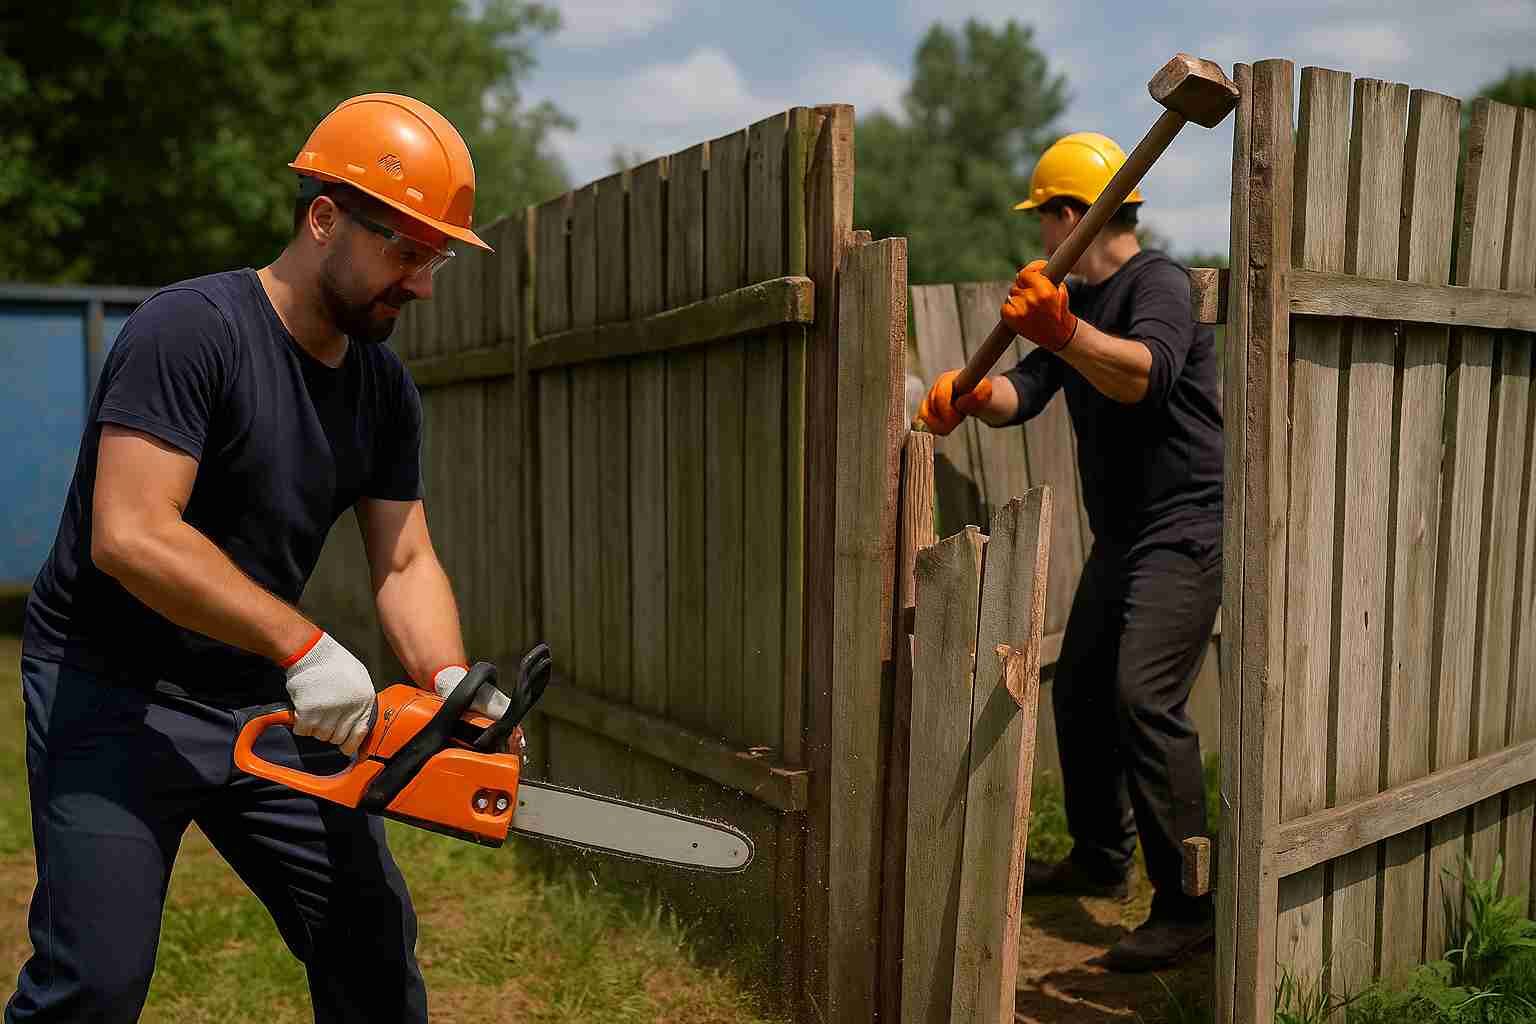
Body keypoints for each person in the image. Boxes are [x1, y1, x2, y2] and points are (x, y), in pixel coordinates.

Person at [7, 93, 510, 1022]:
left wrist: (446, 681)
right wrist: (304, 646)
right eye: (406, 252)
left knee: (369, 945)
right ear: (324, 220)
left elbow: (404, 561)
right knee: (95, 983)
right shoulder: (191, 329)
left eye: (434, 259)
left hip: (259, 697)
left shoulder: (382, 389)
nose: (423, 285)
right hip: (110, 688)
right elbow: (131, 533)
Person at [917, 131, 1223, 971]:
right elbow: (1028, 392)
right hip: (1123, 536)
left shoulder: (1157, 283)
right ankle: (1099, 858)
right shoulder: (1079, 299)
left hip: (1184, 529)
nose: (1042, 236)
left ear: (1070, 215)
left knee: (1143, 698)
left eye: (1044, 219)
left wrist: (1062, 333)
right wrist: (973, 394)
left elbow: (1144, 375)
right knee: (1081, 693)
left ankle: (1189, 905)